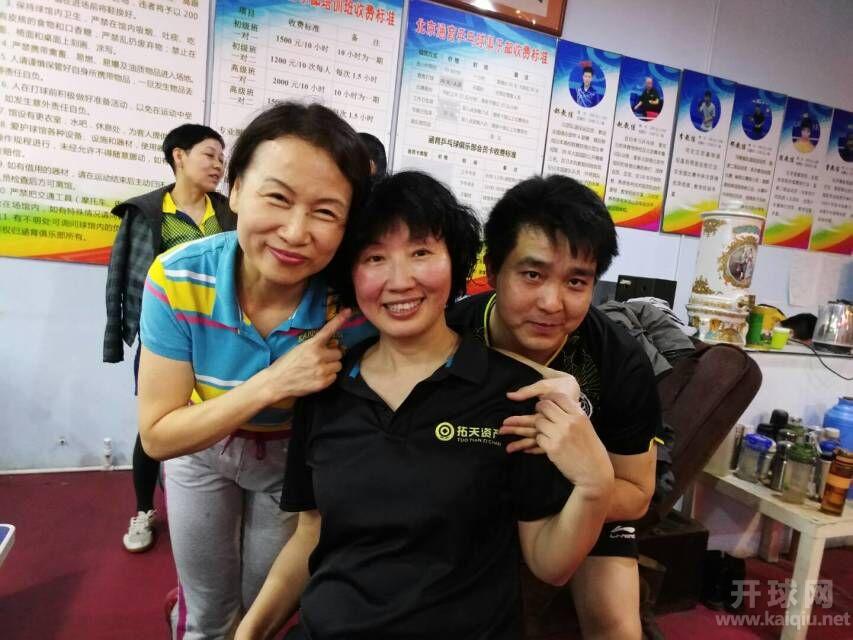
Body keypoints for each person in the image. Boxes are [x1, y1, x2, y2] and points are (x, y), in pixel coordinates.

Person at [236, 171, 614, 640]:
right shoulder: (324, 387)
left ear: (456, 262)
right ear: (350, 273)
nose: (400, 280)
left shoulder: (516, 393)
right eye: (375, 257)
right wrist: (249, 631)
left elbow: (548, 564)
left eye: (420, 252)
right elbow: (311, 536)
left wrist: (595, 486)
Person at [137, 102, 374, 639]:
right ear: (237, 192)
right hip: (201, 449)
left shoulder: (351, 305)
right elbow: (157, 435)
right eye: (278, 198)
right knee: (208, 610)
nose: (295, 231)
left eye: (325, 212)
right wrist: (274, 382)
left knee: (262, 606)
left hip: (290, 461)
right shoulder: (178, 278)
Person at [447, 175, 663, 640]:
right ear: (494, 270)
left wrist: (583, 481)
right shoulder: (449, 335)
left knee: (615, 626)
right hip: (472, 501)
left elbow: (636, 493)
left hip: (585, 504)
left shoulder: (618, 361)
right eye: (532, 275)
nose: (551, 303)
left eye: (576, 281)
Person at [103, 123, 235, 553]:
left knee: (220, 421)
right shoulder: (146, 212)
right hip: (166, 340)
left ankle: (215, 505)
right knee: (156, 427)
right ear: (179, 155)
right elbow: (122, 275)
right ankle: (144, 509)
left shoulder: (230, 212)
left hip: (221, 339)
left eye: (222, 158)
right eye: (209, 155)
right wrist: (117, 335)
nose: (218, 165)